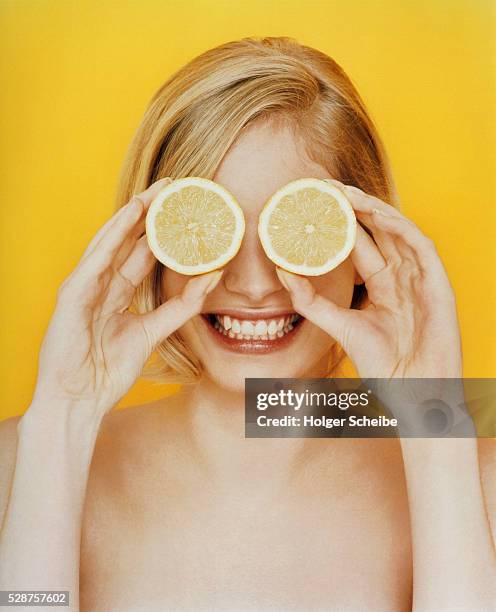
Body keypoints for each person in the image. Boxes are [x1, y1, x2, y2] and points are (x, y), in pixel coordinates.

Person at [0, 37, 495, 611]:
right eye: (216, 230)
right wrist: (62, 418)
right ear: (155, 245)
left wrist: (433, 418)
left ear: (364, 245)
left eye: (294, 232)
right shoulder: (23, 464)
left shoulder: (472, 479)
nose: (255, 284)